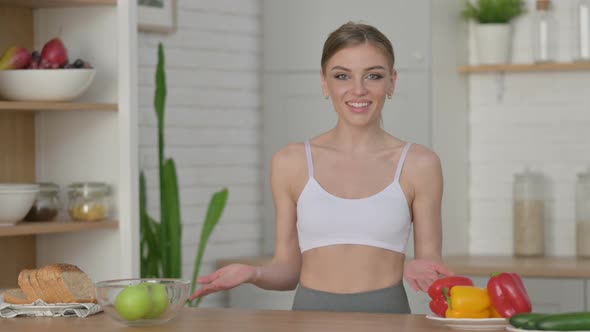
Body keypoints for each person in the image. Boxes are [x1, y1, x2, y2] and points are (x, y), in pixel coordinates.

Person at [189, 21, 453, 313]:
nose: (358, 90)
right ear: (325, 83)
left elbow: (433, 271)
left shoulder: (420, 164)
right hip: (308, 318)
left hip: (388, 318)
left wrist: (420, 268)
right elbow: (288, 270)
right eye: (342, 76)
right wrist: (253, 274)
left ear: (392, 82)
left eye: (373, 76)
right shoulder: (290, 162)